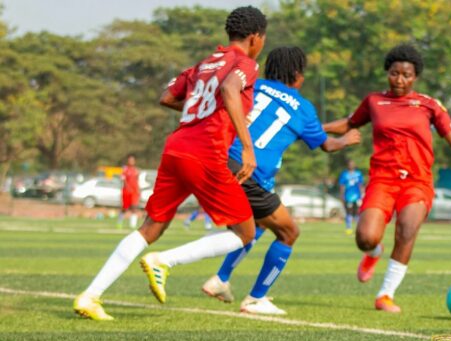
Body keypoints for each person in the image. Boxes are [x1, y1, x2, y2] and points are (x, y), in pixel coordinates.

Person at [73, 6, 267, 320]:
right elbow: (231, 88)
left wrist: (199, 112)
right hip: (207, 151)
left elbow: (166, 96)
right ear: (256, 37)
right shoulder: (245, 63)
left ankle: (90, 296)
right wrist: (247, 148)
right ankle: (164, 261)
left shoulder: (203, 64)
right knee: (245, 232)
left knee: (151, 227)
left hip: (176, 148)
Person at [150, 46, 361, 315]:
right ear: (296, 74)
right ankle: (255, 298)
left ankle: (220, 279)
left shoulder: (252, 85)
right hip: (250, 174)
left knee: (256, 224)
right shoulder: (304, 109)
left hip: (217, 157)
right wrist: (347, 139)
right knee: (288, 232)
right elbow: (326, 144)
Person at [323, 44, 451, 313]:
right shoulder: (374, 102)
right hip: (382, 180)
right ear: (387, 73)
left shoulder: (428, 105)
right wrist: (314, 130)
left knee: (407, 230)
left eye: (406, 75)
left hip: (417, 182)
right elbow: (349, 123)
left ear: (415, 77)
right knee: (365, 238)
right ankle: (373, 254)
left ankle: (385, 295)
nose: (400, 80)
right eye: (394, 73)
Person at [338, 160, 364, 235]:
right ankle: (348, 228)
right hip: (348, 196)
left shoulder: (358, 174)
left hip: (357, 196)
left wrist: (362, 194)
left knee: (357, 212)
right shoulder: (344, 174)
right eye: (350, 164)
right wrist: (341, 195)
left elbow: (361, 185)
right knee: (348, 211)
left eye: (352, 164)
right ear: (347, 165)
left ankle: (358, 228)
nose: (351, 165)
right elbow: (342, 185)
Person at [117, 154, 140, 229]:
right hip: (126, 192)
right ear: (128, 161)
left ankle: (132, 225)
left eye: (133, 160)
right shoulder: (125, 169)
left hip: (134, 192)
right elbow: (123, 179)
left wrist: (138, 189)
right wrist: (127, 187)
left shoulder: (136, 170)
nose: (131, 161)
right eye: (130, 160)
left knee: (134, 207)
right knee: (124, 208)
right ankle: (119, 222)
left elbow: (137, 181)